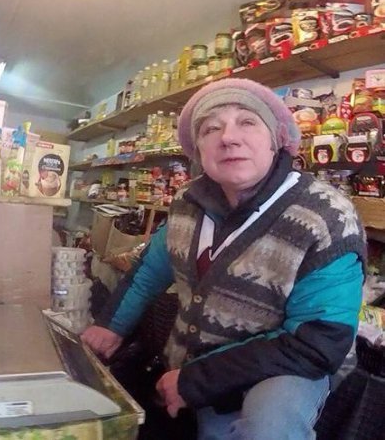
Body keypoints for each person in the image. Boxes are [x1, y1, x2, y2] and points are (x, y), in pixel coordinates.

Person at [81, 78, 365, 439]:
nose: (228, 137)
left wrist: (197, 380)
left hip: (286, 363)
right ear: (197, 150)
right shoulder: (187, 202)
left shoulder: (326, 215)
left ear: (276, 139)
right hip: (193, 360)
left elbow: (318, 342)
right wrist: (111, 326)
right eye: (210, 129)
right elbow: (150, 271)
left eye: (247, 122)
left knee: (268, 425)